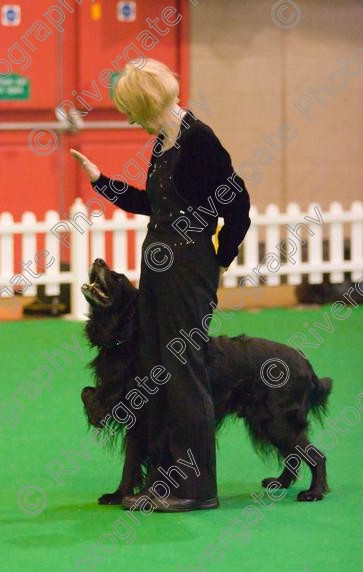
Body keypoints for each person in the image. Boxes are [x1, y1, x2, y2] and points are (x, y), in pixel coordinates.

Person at [71, 58, 251, 512]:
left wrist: (219, 263)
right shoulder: (163, 142)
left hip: (188, 273)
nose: (130, 119)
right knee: (156, 372)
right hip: (157, 271)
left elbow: (240, 207)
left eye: (131, 109)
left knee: (184, 373)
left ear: (147, 102)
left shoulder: (199, 141)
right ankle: (164, 478)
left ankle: (197, 488)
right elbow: (153, 204)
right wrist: (101, 183)